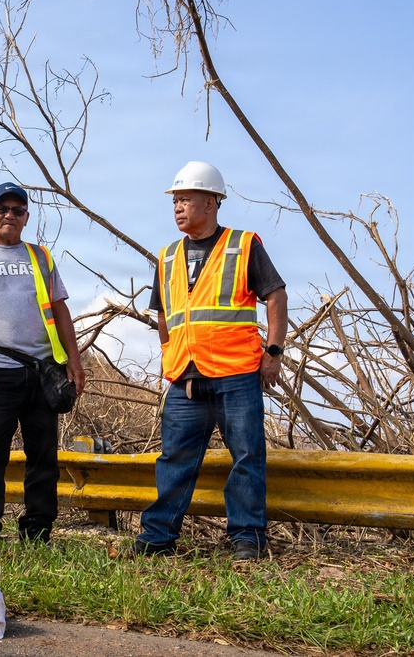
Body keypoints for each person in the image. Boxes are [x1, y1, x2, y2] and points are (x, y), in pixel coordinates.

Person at [134, 161, 288, 561]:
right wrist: (169, 353)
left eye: (185, 199)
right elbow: (164, 314)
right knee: (174, 461)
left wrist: (273, 352)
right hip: (185, 377)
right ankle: (157, 538)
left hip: (236, 375)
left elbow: (275, 295)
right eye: (175, 200)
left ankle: (247, 540)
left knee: (247, 458)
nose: (178, 207)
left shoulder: (242, 245)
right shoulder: (167, 256)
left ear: (211, 202)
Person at [0, 182, 85, 558]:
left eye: (18, 210)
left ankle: (38, 532)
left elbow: (60, 310)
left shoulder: (41, 258)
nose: (10, 215)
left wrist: (74, 362)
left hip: (44, 372)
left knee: (44, 459)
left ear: (26, 218)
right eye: (2, 208)